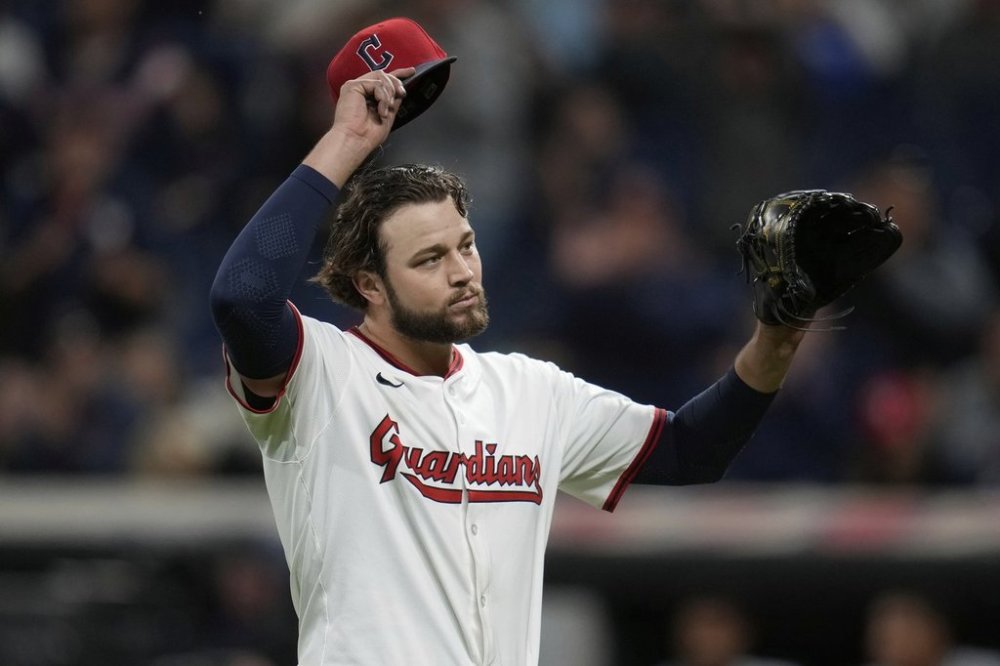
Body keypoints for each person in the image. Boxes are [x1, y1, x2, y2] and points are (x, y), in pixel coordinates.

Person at [209, 62, 809, 665]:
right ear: (369, 283)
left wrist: (775, 341)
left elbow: (690, 450)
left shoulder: (529, 391)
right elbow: (242, 297)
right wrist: (346, 143)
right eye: (429, 260)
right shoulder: (321, 376)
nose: (463, 272)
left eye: (465, 245)